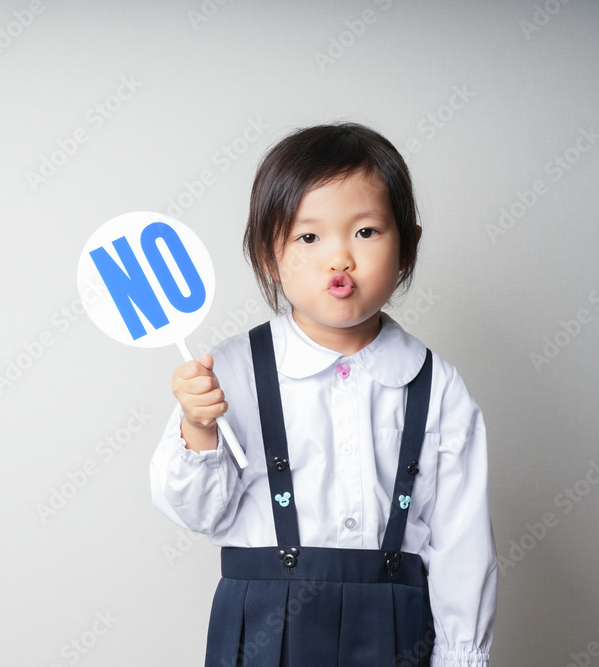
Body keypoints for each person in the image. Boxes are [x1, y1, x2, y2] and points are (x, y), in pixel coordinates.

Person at [150, 122, 497, 666]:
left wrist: (462, 658)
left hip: (395, 631)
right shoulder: (230, 370)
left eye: (365, 232)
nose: (340, 259)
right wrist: (198, 429)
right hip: (264, 625)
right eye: (309, 237)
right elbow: (199, 515)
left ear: (408, 245)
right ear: (269, 254)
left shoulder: (438, 386)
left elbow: (462, 546)